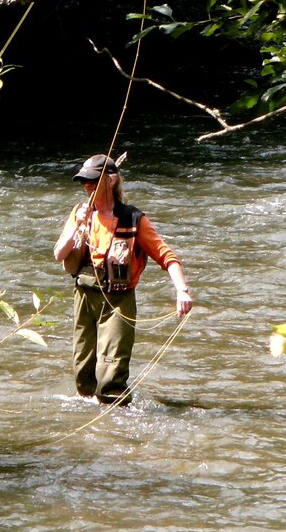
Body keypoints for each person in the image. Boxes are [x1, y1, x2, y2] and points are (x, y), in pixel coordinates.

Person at [53, 154, 194, 405]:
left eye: (92, 181)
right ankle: (93, 415)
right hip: (83, 297)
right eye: (84, 181)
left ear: (111, 181)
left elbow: (167, 257)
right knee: (82, 374)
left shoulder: (134, 219)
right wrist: (77, 226)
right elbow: (58, 254)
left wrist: (182, 290)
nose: (86, 186)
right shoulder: (80, 213)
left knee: (111, 374)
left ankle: (118, 412)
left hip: (118, 303)